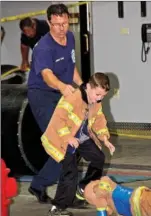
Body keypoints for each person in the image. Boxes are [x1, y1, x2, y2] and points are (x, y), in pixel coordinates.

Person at [27, 3, 83, 204]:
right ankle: (67, 195)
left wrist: (82, 85)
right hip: (42, 96)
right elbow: (47, 75)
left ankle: (40, 185)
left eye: (65, 23)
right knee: (64, 142)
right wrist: (61, 86)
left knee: (75, 141)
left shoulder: (70, 38)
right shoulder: (43, 47)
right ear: (48, 23)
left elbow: (71, 66)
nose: (62, 29)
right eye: (57, 24)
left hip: (61, 94)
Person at [41, 72, 116, 216]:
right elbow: (58, 119)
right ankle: (57, 208)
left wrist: (105, 138)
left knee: (99, 158)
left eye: (102, 96)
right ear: (88, 86)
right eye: (97, 94)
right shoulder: (72, 97)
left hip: (80, 138)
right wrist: (68, 137)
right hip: (63, 138)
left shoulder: (96, 101)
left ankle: (83, 188)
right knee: (70, 172)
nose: (99, 99)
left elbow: (99, 119)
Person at [84, 176, 151, 216]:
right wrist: (101, 207)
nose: (94, 182)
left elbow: (105, 181)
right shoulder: (110, 205)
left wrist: (99, 190)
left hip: (142, 198)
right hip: (139, 211)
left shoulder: (107, 184)